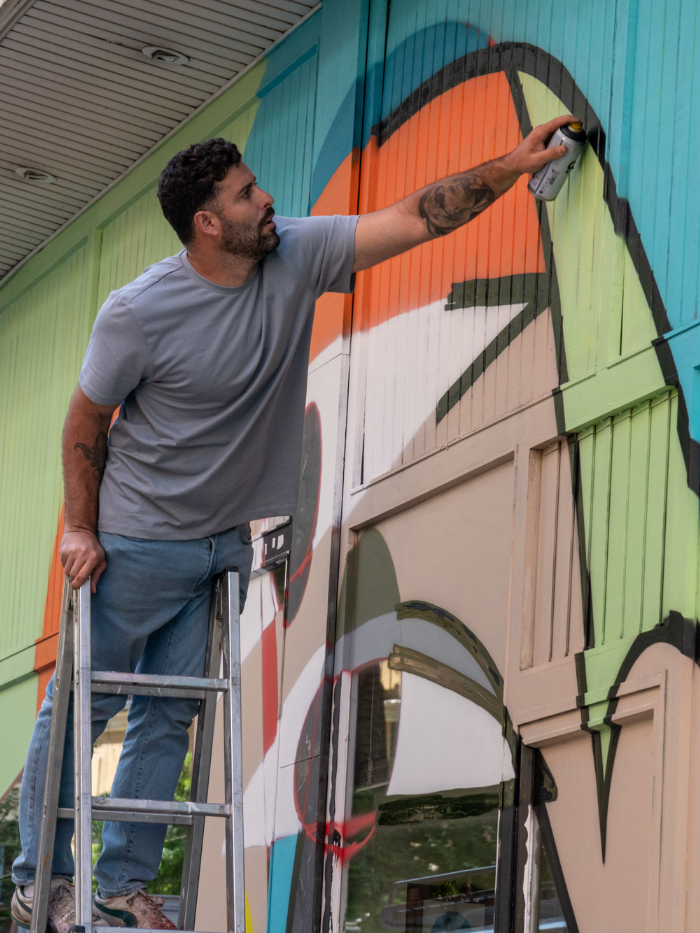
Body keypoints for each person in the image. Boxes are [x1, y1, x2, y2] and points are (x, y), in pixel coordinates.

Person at [11, 115, 574, 932]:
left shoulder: (297, 254)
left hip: (220, 548)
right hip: (133, 542)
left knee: (171, 716)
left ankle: (121, 882)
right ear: (208, 223)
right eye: (246, 194)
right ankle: (43, 880)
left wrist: (513, 165)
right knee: (79, 710)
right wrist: (78, 528)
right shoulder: (139, 311)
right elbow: (84, 423)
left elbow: (417, 216)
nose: (265, 198)